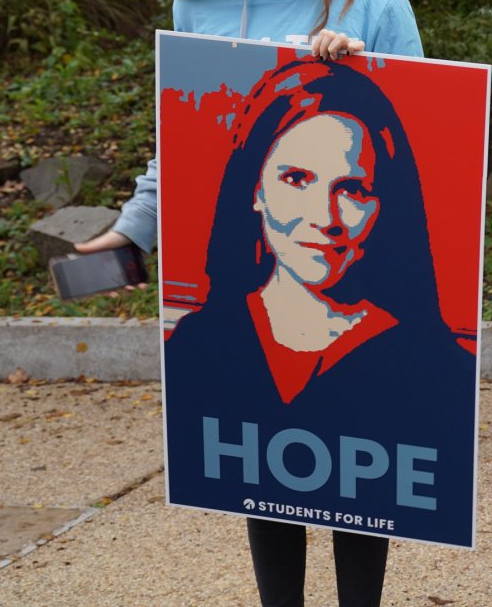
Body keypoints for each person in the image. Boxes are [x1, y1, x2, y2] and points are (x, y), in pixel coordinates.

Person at [78, 0, 429, 606]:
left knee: (357, 471)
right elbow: (183, 145)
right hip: (254, 288)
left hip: (356, 288)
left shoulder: (376, 4)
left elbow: (422, 144)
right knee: (266, 471)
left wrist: (362, 73)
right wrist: (129, 235)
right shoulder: (197, 6)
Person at [164, 56, 475, 544]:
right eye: (297, 179)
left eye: (352, 188)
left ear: (384, 203)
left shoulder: (438, 367)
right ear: (255, 189)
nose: (324, 216)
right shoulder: (198, 346)